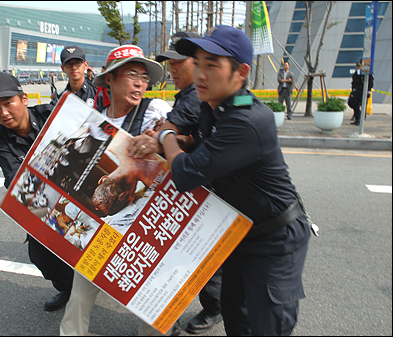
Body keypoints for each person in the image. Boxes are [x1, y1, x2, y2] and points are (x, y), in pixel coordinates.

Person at [148, 25, 312, 336]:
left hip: (275, 240)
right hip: (241, 232)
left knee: (268, 327)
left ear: (241, 72)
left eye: (212, 64)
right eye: (197, 63)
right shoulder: (217, 108)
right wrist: (180, 144)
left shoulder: (247, 120)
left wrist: (165, 136)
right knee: (237, 320)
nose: (200, 73)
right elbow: (205, 147)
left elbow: (186, 174)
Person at [59, 44, 175, 336]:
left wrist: (162, 138)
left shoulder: (156, 112)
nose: (139, 82)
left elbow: (183, 140)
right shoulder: (93, 120)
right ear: (109, 79)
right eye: (131, 74)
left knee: (151, 290)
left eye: (144, 77)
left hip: (147, 222)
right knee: (81, 291)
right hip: (103, 225)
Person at [0, 71, 74, 312]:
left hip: (79, 187)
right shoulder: (0, 140)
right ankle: (70, 289)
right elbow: (16, 182)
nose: (3, 113)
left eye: (8, 103)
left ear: (23, 99)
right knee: (42, 258)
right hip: (43, 203)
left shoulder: (51, 114)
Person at [154, 30, 223, 335]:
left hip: (209, 185)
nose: (173, 69)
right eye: (170, 64)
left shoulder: (199, 95)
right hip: (203, 180)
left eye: (178, 62)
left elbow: (173, 127)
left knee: (204, 249)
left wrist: (166, 136)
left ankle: (215, 305)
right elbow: (194, 134)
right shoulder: (192, 95)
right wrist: (184, 138)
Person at [350, 61, 374, 126]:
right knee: (353, 104)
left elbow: (370, 83)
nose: (358, 67)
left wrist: (368, 91)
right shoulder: (356, 74)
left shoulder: (367, 74)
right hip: (356, 92)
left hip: (363, 92)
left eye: (359, 66)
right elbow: (354, 82)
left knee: (363, 106)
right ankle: (358, 117)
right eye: (357, 66)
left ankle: (360, 119)